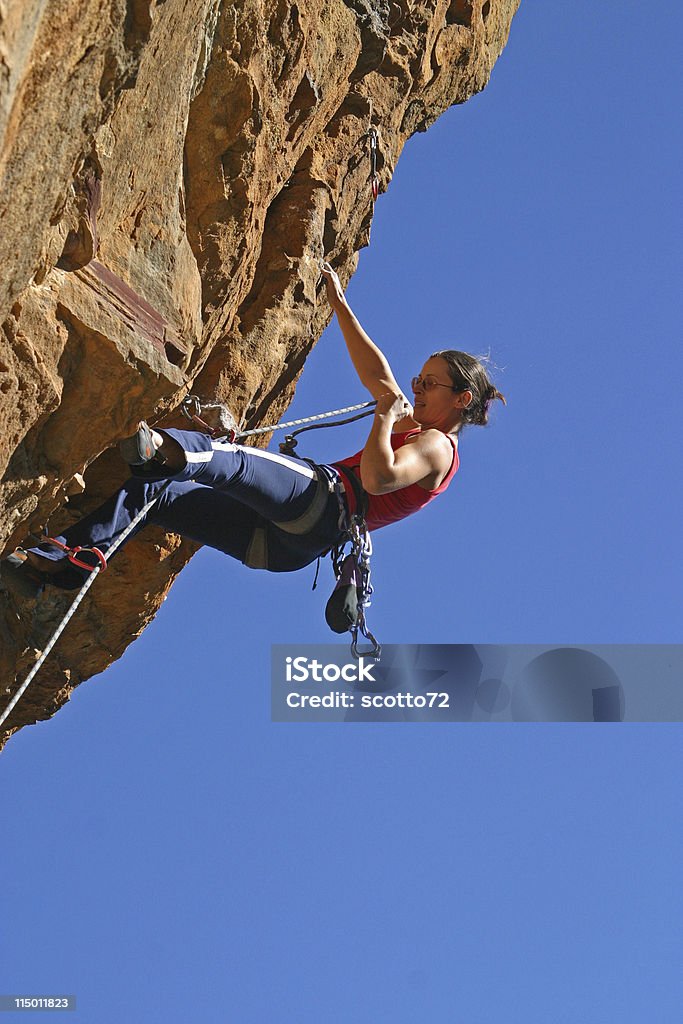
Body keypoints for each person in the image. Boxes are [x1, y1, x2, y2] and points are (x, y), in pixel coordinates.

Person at [1, 264, 505, 597]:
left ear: (461, 400)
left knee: (228, 459)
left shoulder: (438, 444)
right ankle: (61, 563)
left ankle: (164, 450)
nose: (416, 389)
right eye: (419, 379)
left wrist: (382, 416)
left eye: (429, 383)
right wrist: (341, 307)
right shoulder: (419, 421)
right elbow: (382, 379)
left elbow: (378, 478)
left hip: (322, 504)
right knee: (156, 495)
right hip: (285, 549)